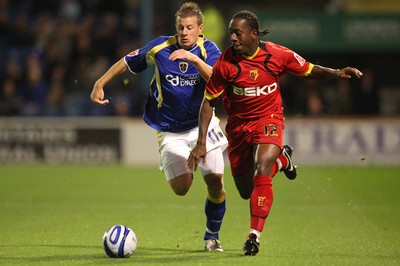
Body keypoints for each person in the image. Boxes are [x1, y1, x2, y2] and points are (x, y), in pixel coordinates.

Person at [187, 10, 363, 256]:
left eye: (238, 33)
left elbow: (311, 70)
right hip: (238, 128)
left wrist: (336, 73)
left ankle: (253, 236)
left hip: (268, 119)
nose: (234, 38)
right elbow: (208, 102)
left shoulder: (277, 55)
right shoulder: (225, 64)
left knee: (262, 168)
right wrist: (201, 142)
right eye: (231, 34)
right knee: (247, 190)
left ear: (253, 34)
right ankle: (283, 159)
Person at [90, 2, 228, 251]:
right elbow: (127, 61)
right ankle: (186, 166)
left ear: (200, 29)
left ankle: (212, 236)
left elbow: (218, 79)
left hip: (203, 126)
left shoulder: (209, 50)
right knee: (182, 189)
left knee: (216, 180)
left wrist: (193, 59)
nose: (184, 32)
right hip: (170, 130)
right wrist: (100, 82)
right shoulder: (160, 47)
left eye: (189, 28)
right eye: (180, 28)